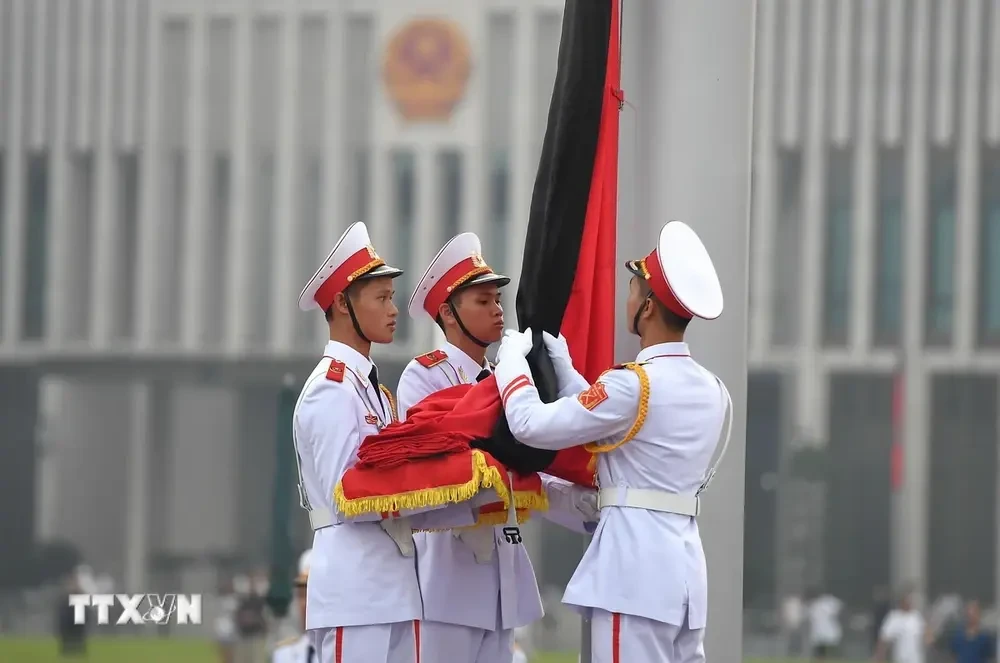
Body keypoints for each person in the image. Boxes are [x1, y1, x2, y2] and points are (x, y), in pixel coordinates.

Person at [491, 220, 733, 663]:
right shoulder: (712, 390)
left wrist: (511, 367)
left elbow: (529, 423)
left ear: (648, 307)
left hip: (634, 577)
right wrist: (566, 372)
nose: (628, 299)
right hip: (683, 579)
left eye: (633, 290)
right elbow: (624, 429)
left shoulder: (634, 385)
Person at [396, 232, 598, 663]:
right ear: (449, 314)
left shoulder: (506, 377)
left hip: (501, 575)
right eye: (483, 301)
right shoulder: (424, 375)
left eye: (497, 299)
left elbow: (529, 471)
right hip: (447, 577)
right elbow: (447, 467)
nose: (498, 310)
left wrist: (584, 506)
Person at [293, 222, 480, 663]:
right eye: (381, 298)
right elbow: (347, 494)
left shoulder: (374, 389)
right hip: (354, 588)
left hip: (395, 584)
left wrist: (471, 489)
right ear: (342, 304)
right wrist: (428, 480)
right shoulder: (331, 388)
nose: (393, 309)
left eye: (392, 297)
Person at [271, 550, 315, 663]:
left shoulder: (347, 653)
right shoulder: (284, 655)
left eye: (312, 596)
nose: (305, 604)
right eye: (301, 595)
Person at [875, 592, 930, 663]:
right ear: (901, 603)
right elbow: (884, 638)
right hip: (900, 658)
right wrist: (880, 655)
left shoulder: (916, 616)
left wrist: (927, 639)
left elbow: (926, 631)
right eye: (907, 601)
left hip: (916, 658)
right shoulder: (894, 617)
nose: (910, 604)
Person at [805, 588, 843, 660]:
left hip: (828, 629)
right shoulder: (813, 605)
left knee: (829, 646)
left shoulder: (826, 603)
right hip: (820, 631)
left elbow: (837, 609)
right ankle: (821, 659)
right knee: (821, 647)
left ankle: (833, 658)